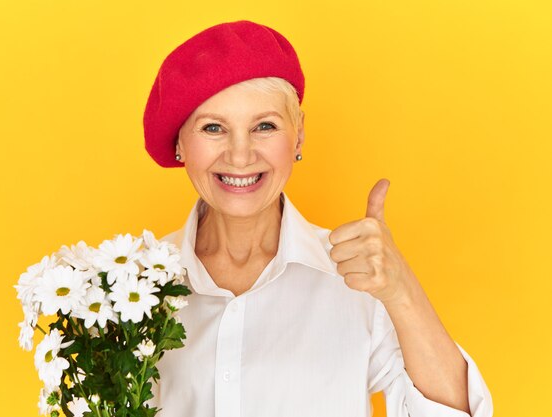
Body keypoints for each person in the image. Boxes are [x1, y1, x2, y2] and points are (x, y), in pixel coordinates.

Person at [141, 20, 493, 417]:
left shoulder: (358, 278)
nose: (240, 156)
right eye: (213, 128)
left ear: (299, 135)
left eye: (265, 126)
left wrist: (401, 292)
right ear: (179, 144)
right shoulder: (127, 285)